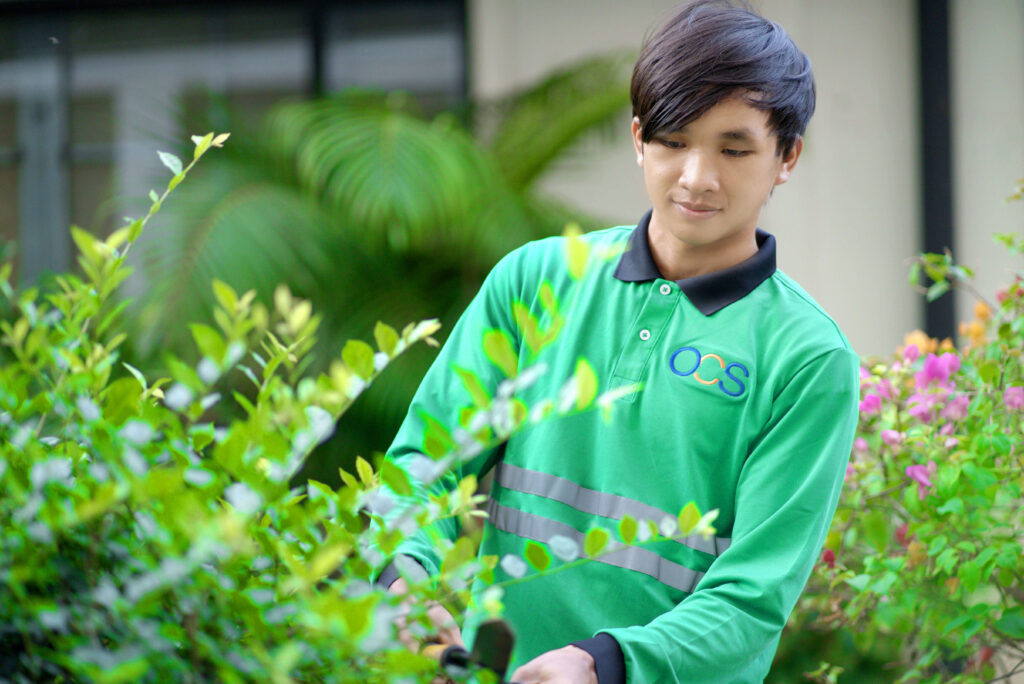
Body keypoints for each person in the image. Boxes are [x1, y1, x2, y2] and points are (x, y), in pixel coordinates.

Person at [379, 1, 860, 682]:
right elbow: (422, 468)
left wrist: (607, 664)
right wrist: (406, 578)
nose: (697, 176)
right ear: (639, 138)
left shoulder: (809, 360)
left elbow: (752, 600)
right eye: (673, 140)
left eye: (734, 147)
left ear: (786, 157)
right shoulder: (535, 281)